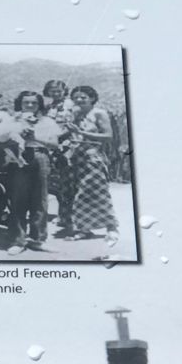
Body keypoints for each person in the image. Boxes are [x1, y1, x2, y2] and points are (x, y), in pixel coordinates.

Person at [0, 90, 61, 254]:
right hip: (17, 158)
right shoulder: (11, 120)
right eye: (26, 103)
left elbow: (54, 145)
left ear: (39, 105)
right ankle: (18, 240)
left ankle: (38, 239)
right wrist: (15, 132)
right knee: (17, 199)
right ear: (20, 104)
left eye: (34, 103)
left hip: (39, 157)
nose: (30, 106)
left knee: (40, 200)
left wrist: (34, 137)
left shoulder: (47, 122)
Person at [66, 85, 120, 248]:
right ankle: (84, 228)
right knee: (80, 194)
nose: (79, 99)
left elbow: (108, 136)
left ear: (92, 98)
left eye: (83, 97)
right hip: (77, 158)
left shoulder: (99, 113)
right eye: (76, 97)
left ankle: (112, 227)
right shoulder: (75, 114)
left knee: (98, 192)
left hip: (93, 158)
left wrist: (82, 134)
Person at [41, 79, 78, 237]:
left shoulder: (70, 106)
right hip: (53, 146)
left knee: (68, 181)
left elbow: (71, 127)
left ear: (65, 90)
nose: (55, 93)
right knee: (57, 183)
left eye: (58, 90)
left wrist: (56, 139)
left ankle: (70, 217)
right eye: (52, 91)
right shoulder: (49, 107)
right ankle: (62, 215)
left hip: (66, 146)